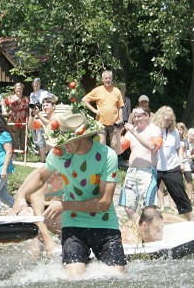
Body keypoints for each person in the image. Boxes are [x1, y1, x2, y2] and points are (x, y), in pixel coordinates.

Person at [12, 113, 125, 277]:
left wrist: (64, 206)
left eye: (68, 139)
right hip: (73, 226)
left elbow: (104, 202)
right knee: (74, 281)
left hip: (106, 227)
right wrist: (20, 196)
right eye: (61, 139)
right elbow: (40, 176)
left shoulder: (107, 156)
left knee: (116, 280)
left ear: (83, 137)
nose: (63, 144)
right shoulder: (59, 154)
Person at [118, 108, 161, 223]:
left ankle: (153, 232)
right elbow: (119, 150)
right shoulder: (132, 132)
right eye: (134, 116)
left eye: (139, 116)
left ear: (146, 115)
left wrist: (134, 133)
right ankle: (141, 229)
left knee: (149, 208)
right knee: (128, 208)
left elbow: (152, 146)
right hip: (131, 172)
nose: (136, 119)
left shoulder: (154, 130)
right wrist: (116, 133)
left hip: (147, 172)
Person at [153, 106, 194, 220]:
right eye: (167, 119)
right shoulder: (153, 130)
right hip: (155, 167)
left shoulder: (174, 132)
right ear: (161, 118)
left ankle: (192, 221)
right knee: (149, 197)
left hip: (172, 167)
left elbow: (178, 148)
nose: (169, 122)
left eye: (171, 120)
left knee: (180, 195)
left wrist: (181, 161)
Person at [82, 69, 124, 153]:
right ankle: (103, 164)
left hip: (114, 123)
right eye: (106, 78)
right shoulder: (98, 90)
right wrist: (94, 110)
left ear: (112, 79)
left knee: (114, 145)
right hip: (101, 123)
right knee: (101, 145)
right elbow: (84, 100)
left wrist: (121, 120)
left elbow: (120, 107)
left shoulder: (116, 91)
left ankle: (114, 164)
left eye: (109, 78)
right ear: (102, 79)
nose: (108, 80)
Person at [4, 82, 29, 153]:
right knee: (13, 139)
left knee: (23, 140)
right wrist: (5, 111)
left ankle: (23, 156)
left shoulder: (26, 99)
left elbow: (28, 110)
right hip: (12, 122)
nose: (19, 90)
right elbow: (3, 106)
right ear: (14, 89)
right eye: (17, 88)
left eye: (20, 88)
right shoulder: (9, 98)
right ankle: (13, 156)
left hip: (23, 122)